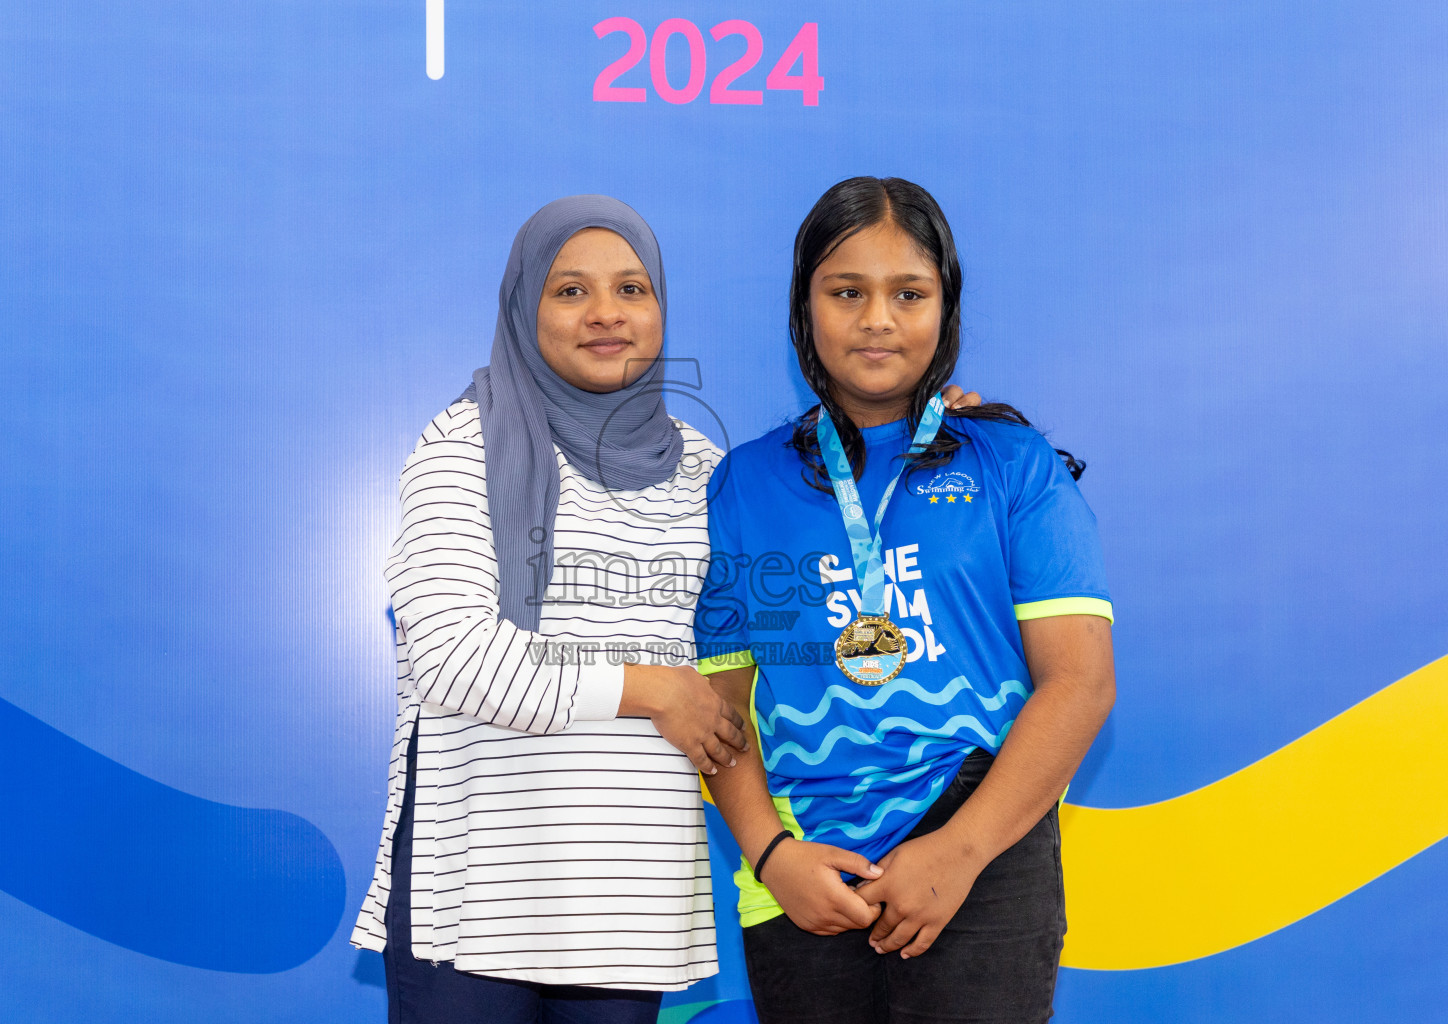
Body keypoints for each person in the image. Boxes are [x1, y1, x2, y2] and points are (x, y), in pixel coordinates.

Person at [697, 177, 1116, 1024]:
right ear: (804, 307)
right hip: (805, 872)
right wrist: (771, 852)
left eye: (909, 294)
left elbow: (1080, 682)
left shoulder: (1012, 464)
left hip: (980, 848)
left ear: (945, 307)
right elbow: (722, 703)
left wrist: (958, 851)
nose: (877, 319)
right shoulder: (746, 482)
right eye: (846, 292)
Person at [348, 195, 751, 1024]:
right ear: (524, 304)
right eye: (571, 291)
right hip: (475, 905)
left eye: (632, 289)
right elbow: (456, 660)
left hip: (624, 907)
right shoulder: (464, 445)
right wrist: (652, 689)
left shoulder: (707, 470)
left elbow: (764, 613)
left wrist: (932, 428)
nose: (606, 314)